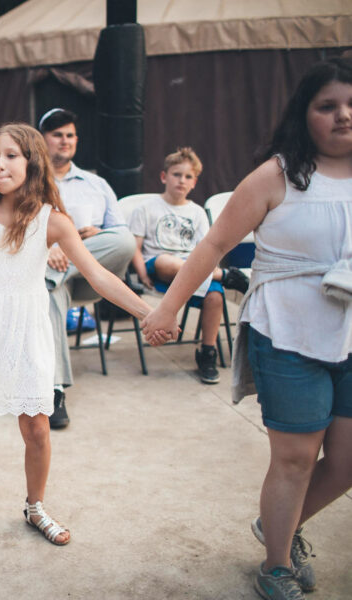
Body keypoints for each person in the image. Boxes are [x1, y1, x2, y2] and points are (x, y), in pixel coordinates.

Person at [142, 57, 352, 600]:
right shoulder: (277, 175)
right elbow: (212, 245)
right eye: (327, 106)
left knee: (348, 460)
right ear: (304, 114)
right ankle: (276, 563)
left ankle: (279, 524)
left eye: (351, 106)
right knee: (296, 456)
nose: (343, 116)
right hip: (288, 330)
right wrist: (168, 307)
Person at [0, 123, 152, 546]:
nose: (0, 165)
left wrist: (149, 312)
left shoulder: (52, 222)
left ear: (32, 161)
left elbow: (98, 275)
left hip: (26, 326)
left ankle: (35, 505)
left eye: (11, 156)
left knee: (37, 426)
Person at [39, 108, 137, 429]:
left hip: (92, 274)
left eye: (69, 135)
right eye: (57, 135)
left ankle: (54, 273)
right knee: (50, 294)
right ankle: (54, 391)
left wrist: (89, 238)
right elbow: (18, 234)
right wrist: (49, 246)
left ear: (76, 141)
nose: (64, 141)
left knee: (122, 239)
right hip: (52, 274)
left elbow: (119, 236)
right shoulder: (30, 184)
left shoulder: (96, 184)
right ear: (42, 140)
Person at [129, 147, 249, 384]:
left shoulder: (197, 213)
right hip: (158, 267)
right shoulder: (146, 208)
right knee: (168, 261)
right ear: (164, 177)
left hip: (195, 271)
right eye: (176, 174)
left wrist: (202, 272)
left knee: (215, 297)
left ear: (194, 182)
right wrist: (141, 274)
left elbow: (206, 249)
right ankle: (224, 275)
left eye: (187, 177)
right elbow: (135, 245)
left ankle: (207, 352)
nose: (181, 181)